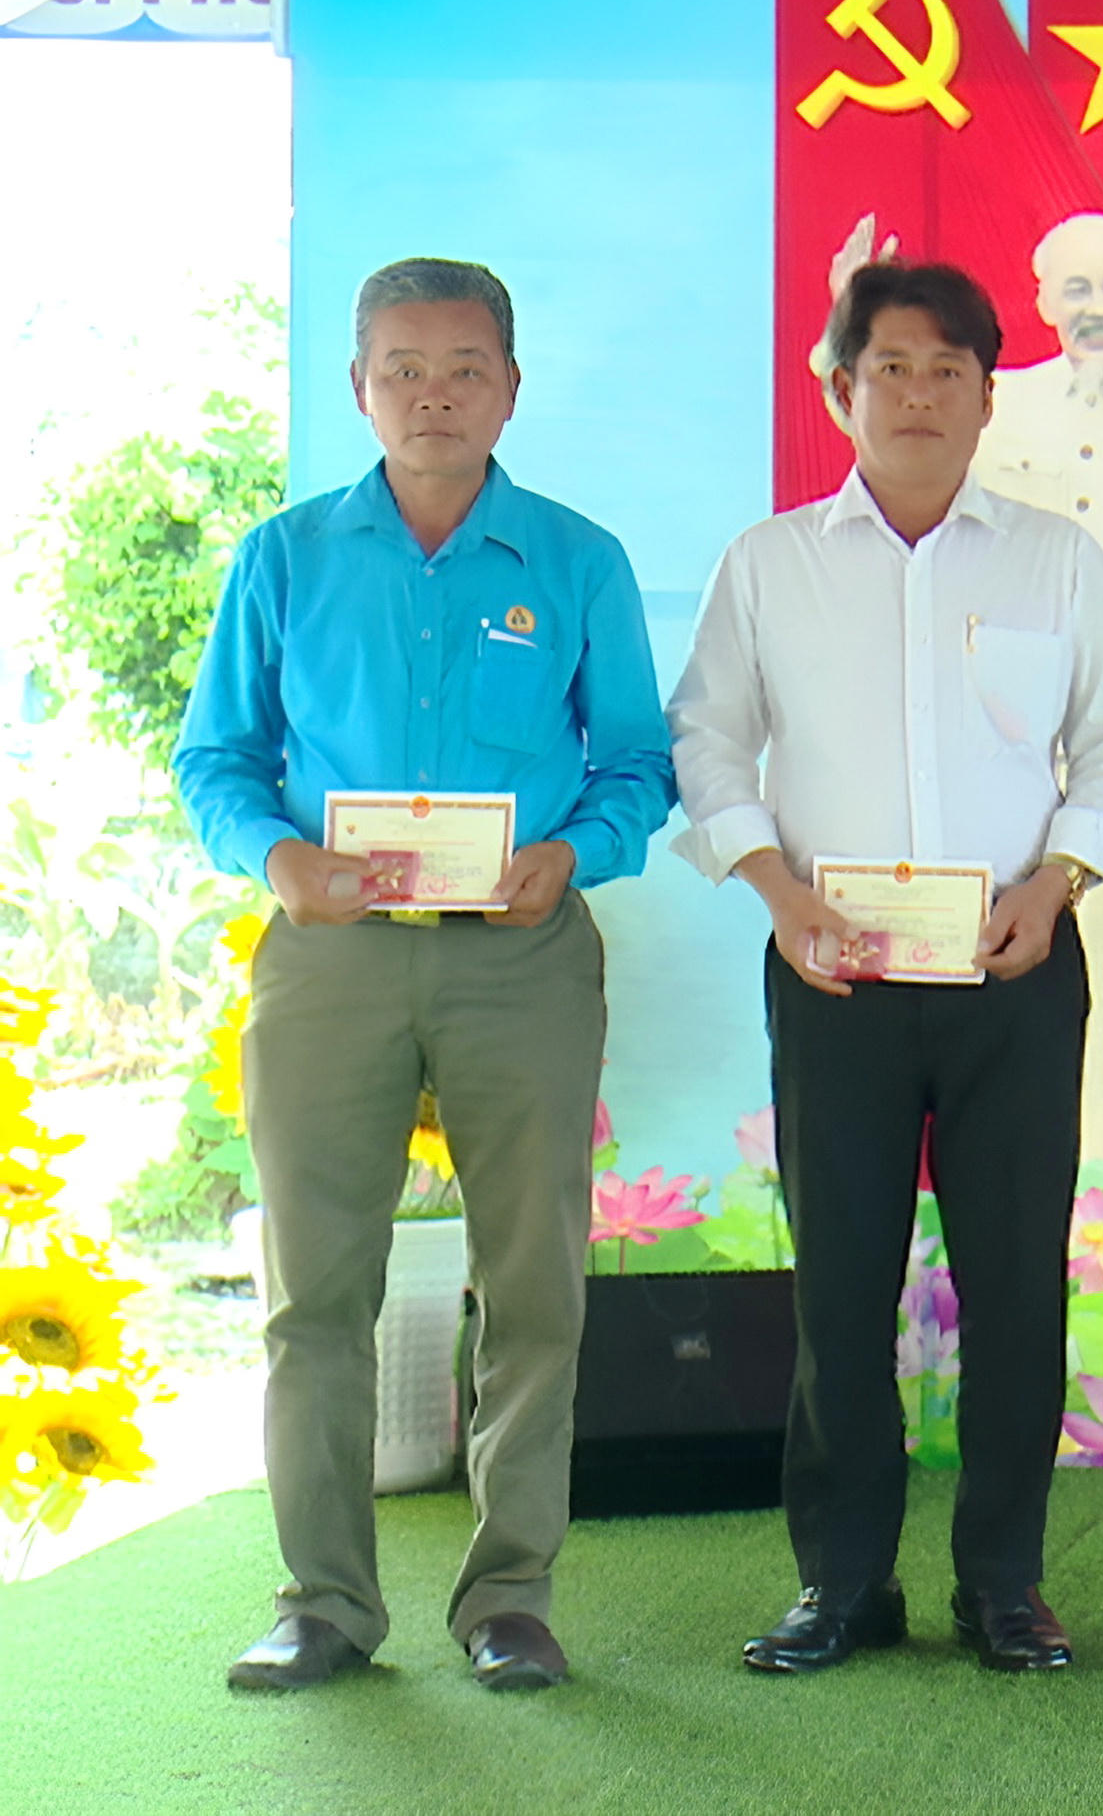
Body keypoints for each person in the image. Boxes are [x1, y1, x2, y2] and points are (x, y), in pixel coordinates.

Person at [178, 257, 675, 1693]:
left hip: (521, 957)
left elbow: (637, 767)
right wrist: (280, 860)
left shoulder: (576, 560)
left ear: (511, 390)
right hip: (330, 956)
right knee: (314, 1290)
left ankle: (508, 1596)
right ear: (358, 386)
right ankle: (325, 1602)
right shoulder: (284, 557)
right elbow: (216, 758)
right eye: (403, 368)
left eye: (464, 369)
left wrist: (573, 856)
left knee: (533, 1285)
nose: (433, 394)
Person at [671, 261, 1103, 1676]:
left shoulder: (1055, 558)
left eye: (951, 370)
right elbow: (708, 737)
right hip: (836, 976)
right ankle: (842, 1583)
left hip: (1016, 966)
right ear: (841, 388)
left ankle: (1004, 1583)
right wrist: (777, 893)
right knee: (839, 1288)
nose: (922, 395)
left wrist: (1057, 884)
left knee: (1017, 1289)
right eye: (892, 366)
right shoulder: (769, 563)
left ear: (990, 396)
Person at [824, 209, 1103, 1171]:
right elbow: (883, 439)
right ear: (1043, 299)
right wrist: (847, 316)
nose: (1098, 306)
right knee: (1042, 946)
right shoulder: (992, 403)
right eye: (1077, 287)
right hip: (1008, 733)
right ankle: (1062, 1178)